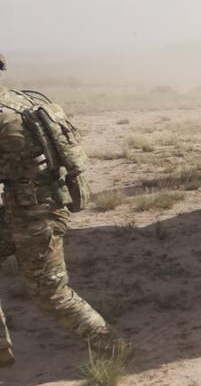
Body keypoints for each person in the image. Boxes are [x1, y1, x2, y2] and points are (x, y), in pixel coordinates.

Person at [0, 53, 123, 367]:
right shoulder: (24, 100)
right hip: (32, 207)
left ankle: (113, 346)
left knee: (50, 293)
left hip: (34, 215)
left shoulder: (5, 117)